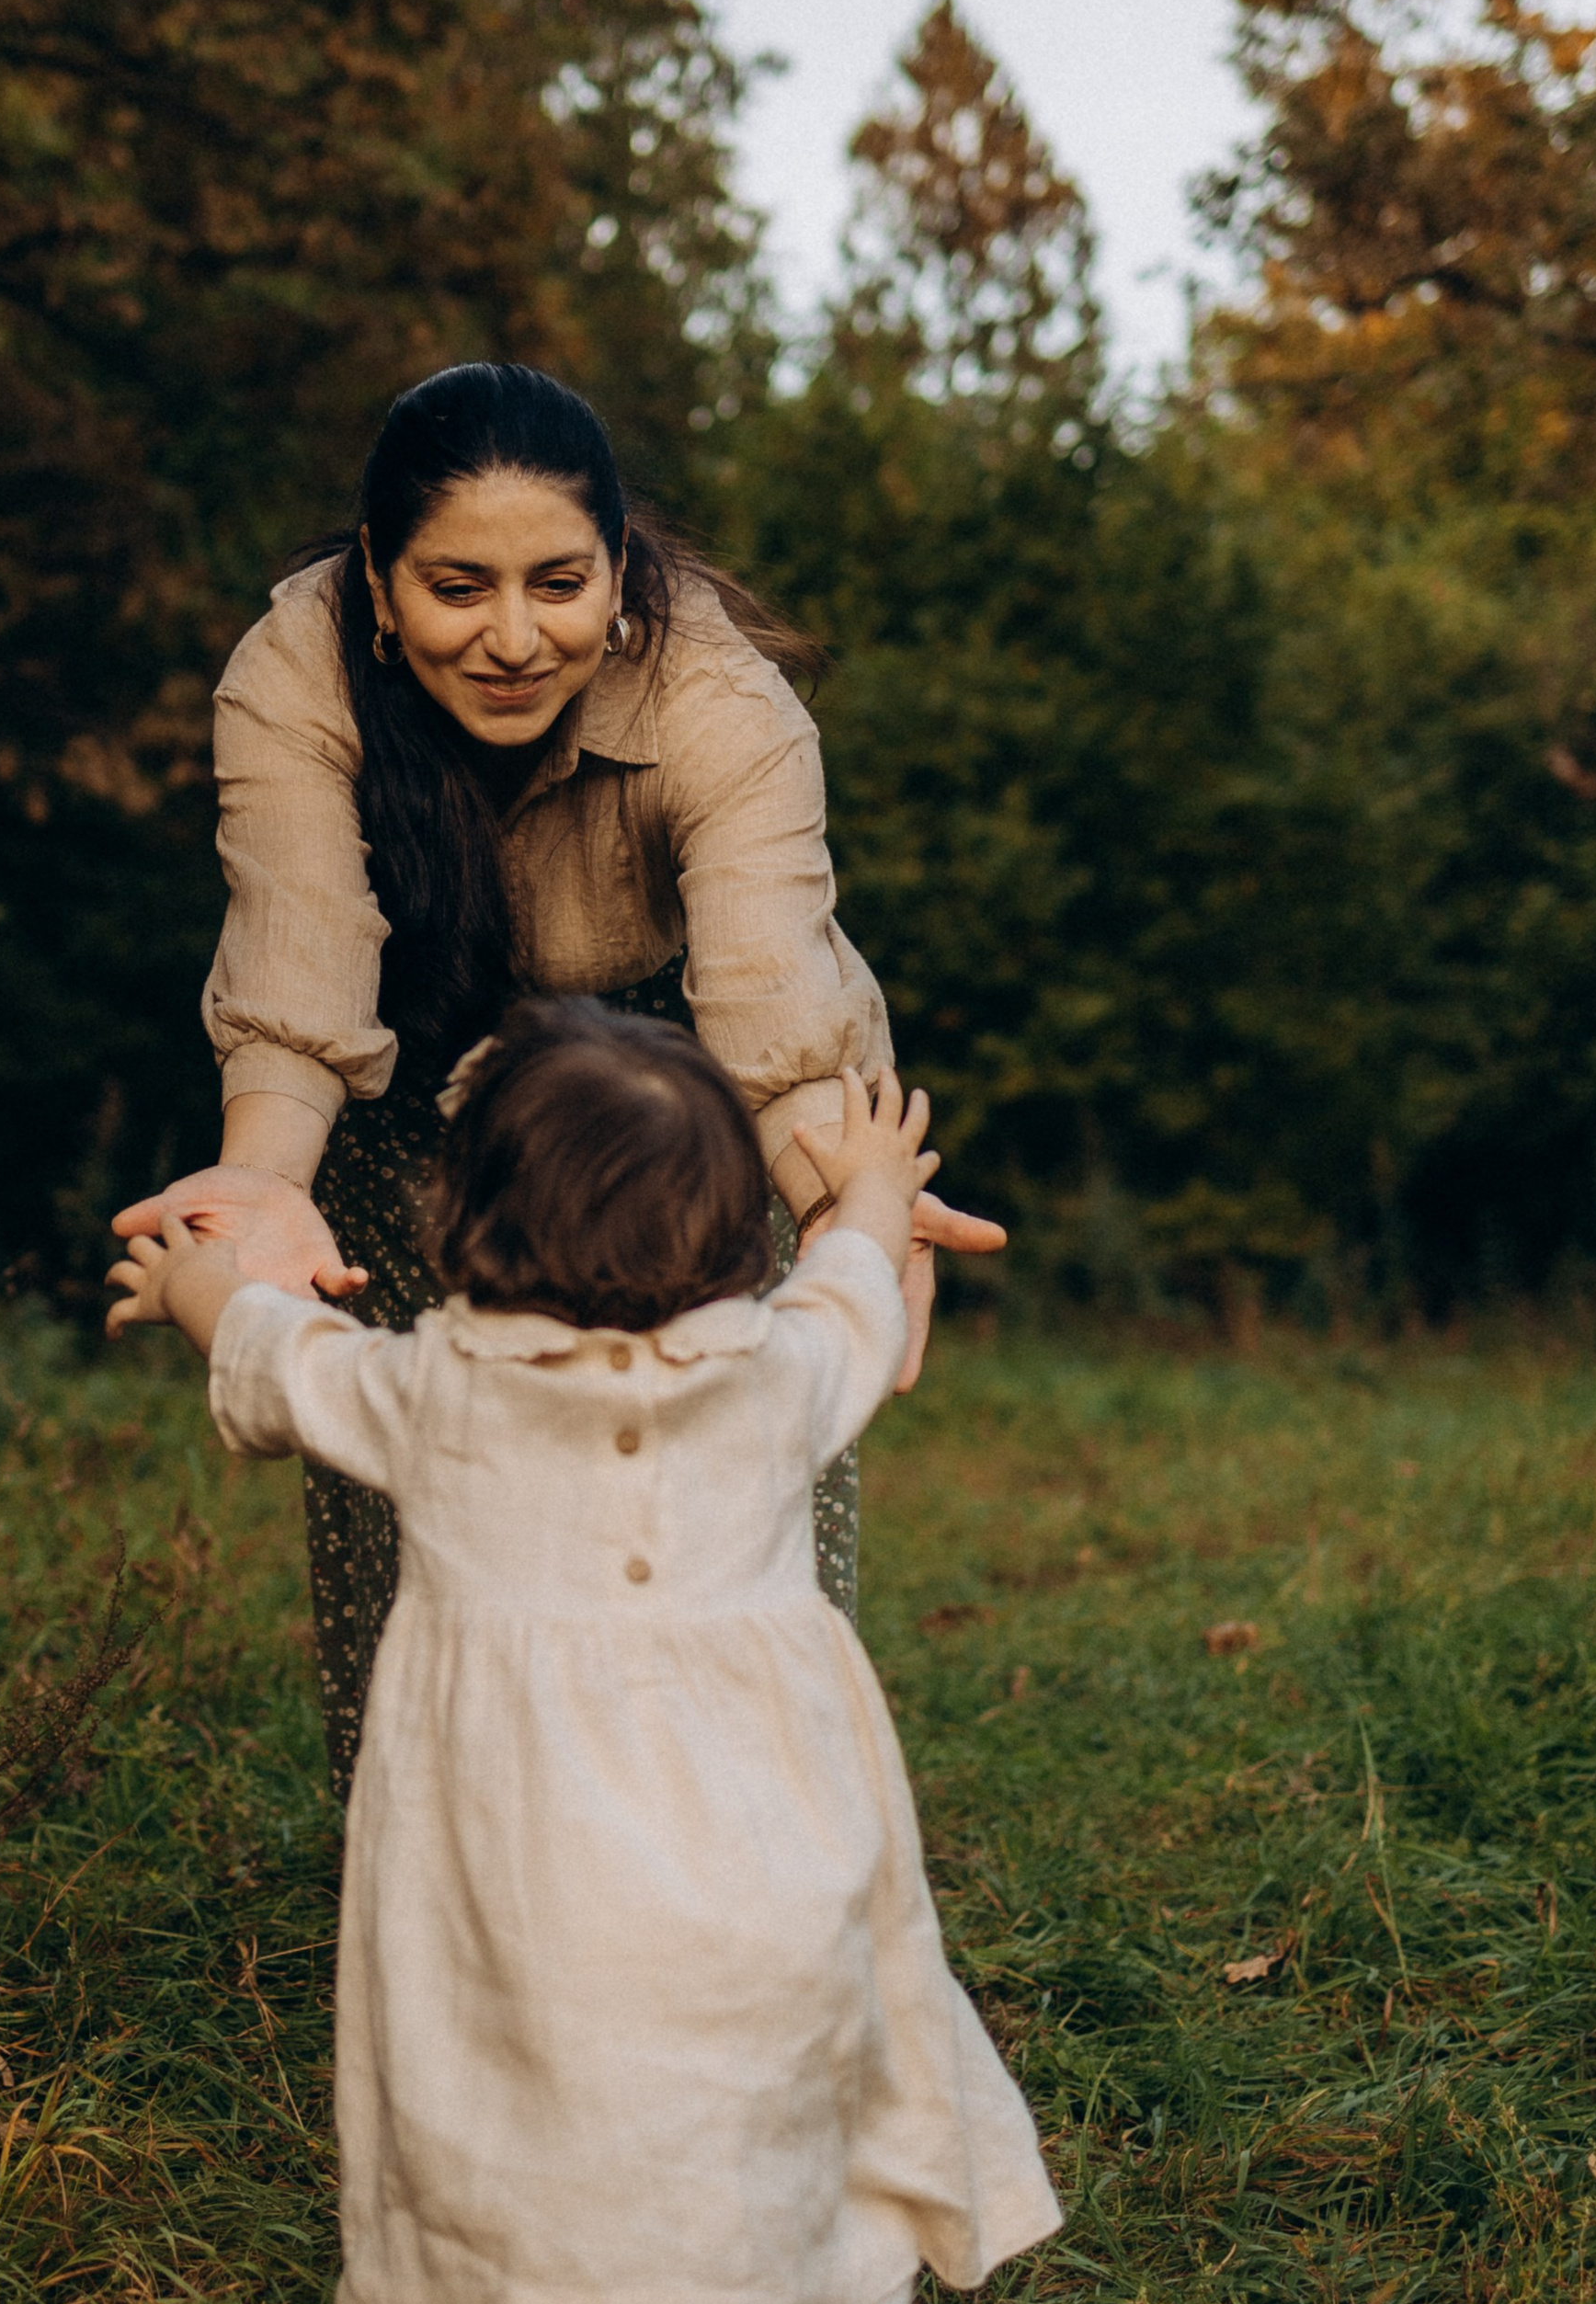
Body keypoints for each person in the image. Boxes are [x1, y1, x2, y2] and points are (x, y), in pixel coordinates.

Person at [111, 998, 1060, 2304]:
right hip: (781, 1887)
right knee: (873, 2111)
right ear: (731, 1239)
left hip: (544, 1936)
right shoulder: (780, 1374)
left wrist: (195, 1280)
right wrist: (865, 1182)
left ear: (455, 1228)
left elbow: (267, 1353)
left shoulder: (431, 1395)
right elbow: (856, 1277)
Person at [111, 359, 1006, 1790]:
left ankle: (763, 1810)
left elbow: (771, 1009)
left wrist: (846, 1208)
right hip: (403, 1063)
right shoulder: (292, 674)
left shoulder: (722, 699)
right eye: (458, 587)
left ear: (621, 566)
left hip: (673, 1081)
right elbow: (300, 965)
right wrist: (267, 1180)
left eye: (560, 583)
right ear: (379, 578)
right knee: (420, 1469)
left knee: (737, 1451)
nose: (516, 638)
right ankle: (434, 1827)